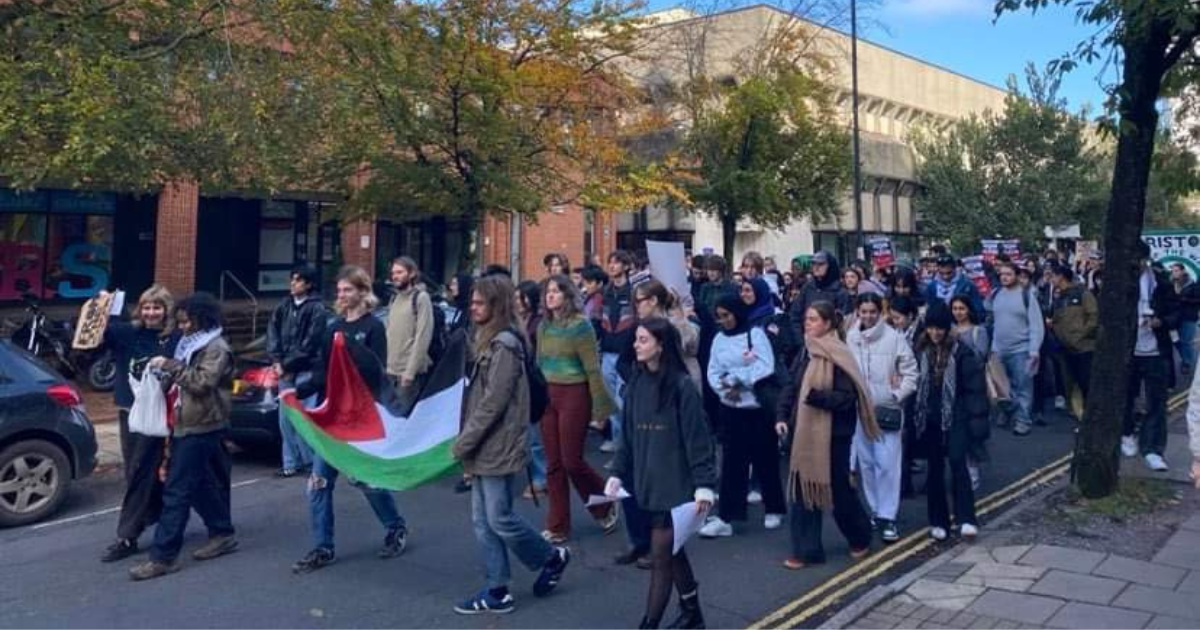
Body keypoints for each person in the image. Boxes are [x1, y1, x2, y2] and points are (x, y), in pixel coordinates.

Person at [451, 274, 571, 615]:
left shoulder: (504, 344)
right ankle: (497, 588)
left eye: (479, 303)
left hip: (497, 443)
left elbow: (494, 402)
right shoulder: (487, 340)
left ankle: (551, 556)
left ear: (496, 305)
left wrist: (464, 442)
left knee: (498, 517)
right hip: (485, 442)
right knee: (483, 520)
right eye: (471, 302)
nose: (472, 307)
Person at [290, 266, 409, 574]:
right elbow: (322, 371)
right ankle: (323, 546)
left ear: (361, 291)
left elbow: (376, 373)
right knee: (318, 483)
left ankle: (395, 526)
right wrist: (298, 390)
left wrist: (351, 352)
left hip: (360, 419)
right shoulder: (333, 328)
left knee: (365, 480)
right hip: (334, 418)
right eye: (340, 290)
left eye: (348, 290)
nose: (342, 295)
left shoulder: (372, 328)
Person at [607, 319, 717, 630]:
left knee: (660, 557)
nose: (636, 345)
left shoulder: (682, 387)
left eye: (643, 340)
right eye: (637, 340)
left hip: (678, 488)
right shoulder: (636, 386)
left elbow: (699, 441)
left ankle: (649, 624)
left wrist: (704, 486)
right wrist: (616, 472)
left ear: (660, 345)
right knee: (673, 550)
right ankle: (692, 613)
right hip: (648, 485)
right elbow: (627, 437)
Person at [129, 293, 237, 580]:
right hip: (183, 421)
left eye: (187, 320)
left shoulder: (216, 347)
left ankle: (163, 556)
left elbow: (202, 383)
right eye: (181, 321)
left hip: (202, 424)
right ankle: (222, 532)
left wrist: (170, 366)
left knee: (176, 489)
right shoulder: (192, 344)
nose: (183, 326)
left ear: (203, 318)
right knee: (198, 482)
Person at [776, 301, 879, 568]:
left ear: (828, 324)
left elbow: (847, 398)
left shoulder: (838, 354)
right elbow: (792, 386)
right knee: (802, 488)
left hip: (834, 434)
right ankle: (805, 550)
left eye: (813, 319)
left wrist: (816, 397)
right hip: (804, 434)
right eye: (806, 319)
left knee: (839, 491)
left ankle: (860, 535)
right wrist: (782, 416)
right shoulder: (806, 351)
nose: (806, 323)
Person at [99, 286, 182, 563]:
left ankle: (128, 535)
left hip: (160, 414)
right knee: (139, 472)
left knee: (145, 472)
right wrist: (102, 307)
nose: (150, 313)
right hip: (131, 413)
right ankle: (146, 520)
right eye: (146, 307)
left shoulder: (173, 338)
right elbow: (95, 337)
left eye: (157, 307)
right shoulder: (127, 333)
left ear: (166, 310)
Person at [537, 274, 620, 543]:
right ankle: (558, 525)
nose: (551, 296)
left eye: (556, 291)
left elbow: (592, 368)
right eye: (548, 291)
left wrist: (600, 408)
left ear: (568, 296)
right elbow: (539, 365)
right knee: (554, 464)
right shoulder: (544, 327)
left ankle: (604, 501)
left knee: (572, 461)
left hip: (574, 393)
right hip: (548, 395)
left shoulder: (581, 326)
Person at [699, 293, 785, 538]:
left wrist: (738, 379)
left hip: (757, 408)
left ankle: (774, 507)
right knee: (732, 463)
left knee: (764, 459)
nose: (723, 320)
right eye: (719, 317)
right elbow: (713, 370)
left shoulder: (755, 334)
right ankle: (728, 515)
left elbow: (765, 365)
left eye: (726, 315)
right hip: (731, 408)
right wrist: (725, 387)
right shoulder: (718, 339)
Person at [846, 294, 918, 544]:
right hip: (859, 411)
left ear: (880, 312)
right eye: (863, 311)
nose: (867, 316)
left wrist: (896, 395)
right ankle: (877, 511)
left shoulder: (894, 338)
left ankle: (888, 516)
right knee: (866, 464)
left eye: (872, 312)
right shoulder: (851, 337)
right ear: (857, 312)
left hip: (886, 410)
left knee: (887, 465)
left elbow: (911, 373)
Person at [914, 303, 986, 540]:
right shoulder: (920, 351)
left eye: (940, 329)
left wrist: (976, 422)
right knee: (934, 470)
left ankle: (966, 517)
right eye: (931, 328)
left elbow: (975, 390)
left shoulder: (961, 352)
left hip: (956, 417)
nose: (935, 333)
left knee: (958, 464)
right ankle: (938, 521)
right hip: (930, 419)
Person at [267, 265, 328, 478]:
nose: (293, 283)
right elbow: (272, 332)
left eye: (298, 280)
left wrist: (287, 365)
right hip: (285, 371)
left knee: (303, 418)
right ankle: (290, 463)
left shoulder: (317, 308)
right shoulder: (284, 306)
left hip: (306, 371)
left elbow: (311, 343)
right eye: (292, 279)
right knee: (285, 420)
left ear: (309, 284)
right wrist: (276, 360)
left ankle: (310, 461)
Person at [1123, 250, 1178, 472]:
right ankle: (1126, 434)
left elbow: (1176, 312)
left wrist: (1161, 321)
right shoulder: (1121, 282)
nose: (1137, 264)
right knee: (1126, 397)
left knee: (1157, 402)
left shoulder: (1161, 282)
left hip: (1156, 351)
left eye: (1141, 259)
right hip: (1129, 351)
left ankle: (1153, 449)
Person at [988, 262, 1044, 437]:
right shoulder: (995, 294)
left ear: (1017, 276)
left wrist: (1034, 349)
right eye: (1002, 274)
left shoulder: (1027, 296)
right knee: (999, 388)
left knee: (1023, 387)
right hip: (998, 349)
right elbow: (990, 319)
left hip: (1022, 349)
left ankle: (1023, 420)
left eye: (1008, 274)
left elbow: (1036, 325)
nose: (1004, 277)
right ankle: (1009, 410)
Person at [599, 251, 638, 453]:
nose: (612, 266)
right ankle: (616, 439)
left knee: (622, 401)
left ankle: (626, 444)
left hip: (626, 354)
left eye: (616, 262)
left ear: (625, 266)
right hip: (607, 352)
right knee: (611, 400)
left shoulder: (633, 292)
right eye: (610, 262)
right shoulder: (605, 292)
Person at [385, 256, 435, 414]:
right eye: (393, 273)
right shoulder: (394, 299)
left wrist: (410, 372)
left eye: (400, 272)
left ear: (412, 273)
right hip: (391, 372)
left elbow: (423, 336)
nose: (395, 276)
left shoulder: (421, 298)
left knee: (402, 419)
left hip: (408, 375)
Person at [1049, 264, 1098, 421]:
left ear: (1061, 277)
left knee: (1086, 382)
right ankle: (1078, 413)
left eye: (1053, 276)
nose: (1051, 280)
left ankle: (1091, 413)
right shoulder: (1059, 297)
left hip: (1083, 347)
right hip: (1065, 347)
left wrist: (1080, 335)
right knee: (1070, 382)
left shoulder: (1083, 293)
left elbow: (1094, 317)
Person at [635, 279, 701, 388]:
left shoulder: (676, 320)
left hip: (683, 384)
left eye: (639, 301)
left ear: (653, 300)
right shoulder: (640, 327)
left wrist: (680, 318)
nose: (636, 306)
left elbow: (692, 347)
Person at [516, 280, 548, 499]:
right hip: (520, 380)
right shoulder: (517, 321)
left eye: (521, 298)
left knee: (534, 435)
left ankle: (540, 477)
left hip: (534, 380)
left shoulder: (539, 323)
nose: (517, 302)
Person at [788, 250, 850, 342]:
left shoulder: (840, 292)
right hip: (806, 340)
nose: (816, 268)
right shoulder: (808, 287)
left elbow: (843, 322)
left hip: (830, 343)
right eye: (814, 264)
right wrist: (800, 339)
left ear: (830, 266)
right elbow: (795, 314)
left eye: (821, 264)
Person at [1172, 262, 1200, 377]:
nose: (1174, 273)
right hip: (1174, 317)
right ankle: (1185, 357)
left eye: (1177, 270)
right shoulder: (1171, 284)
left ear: (1183, 271)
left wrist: (1184, 299)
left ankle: (1187, 363)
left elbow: (1198, 300)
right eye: (1173, 271)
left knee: (1186, 340)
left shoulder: (1192, 285)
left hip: (1188, 316)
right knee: (1175, 340)